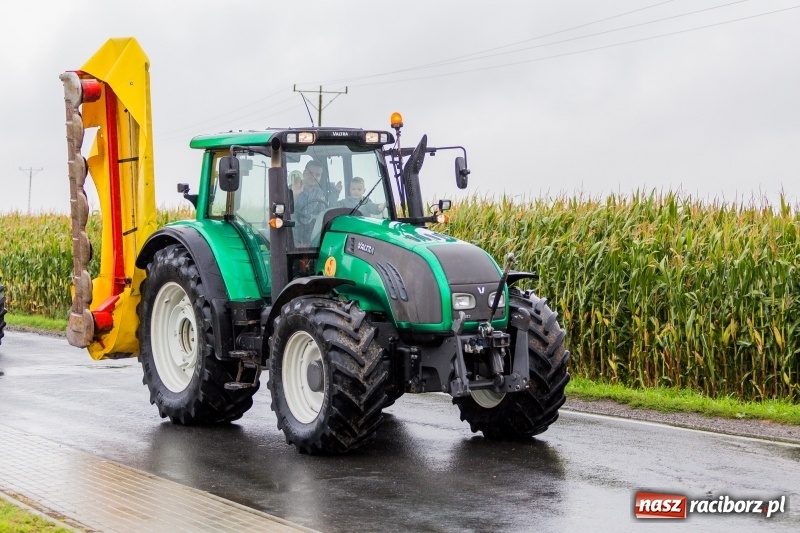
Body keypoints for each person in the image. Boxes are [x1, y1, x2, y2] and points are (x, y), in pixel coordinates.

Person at [293, 160, 341, 244]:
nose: (314, 177)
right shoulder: (291, 190)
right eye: (310, 173)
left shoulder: (320, 193)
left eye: (317, 175)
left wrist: (336, 192)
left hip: (312, 233)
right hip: (294, 233)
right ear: (304, 173)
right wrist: (294, 195)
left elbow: (324, 212)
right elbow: (284, 211)